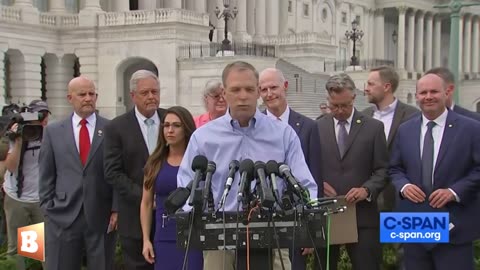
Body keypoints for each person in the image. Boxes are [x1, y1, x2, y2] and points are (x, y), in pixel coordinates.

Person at [177, 61, 318, 270]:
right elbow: (187, 183)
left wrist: (307, 220)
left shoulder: (283, 134)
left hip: (274, 235)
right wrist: (197, 221)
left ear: (258, 93)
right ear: (224, 93)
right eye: (235, 89)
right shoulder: (203, 137)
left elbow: (305, 185)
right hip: (220, 238)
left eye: (249, 89)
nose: (243, 96)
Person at [389, 73, 480, 270]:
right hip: (414, 223)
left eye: (434, 91)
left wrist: (454, 192)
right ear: (416, 96)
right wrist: (403, 186)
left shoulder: (471, 128)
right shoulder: (405, 130)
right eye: (423, 92)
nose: (428, 96)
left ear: (446, 93)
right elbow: (395, 168)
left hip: (454, 222)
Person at [39, 77, 117, 270]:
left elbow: (117, 172)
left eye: (92, 94)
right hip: (63, 215)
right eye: (82, 94)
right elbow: (46, 175)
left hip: (101, 215)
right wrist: (49, 208)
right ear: (70, 98)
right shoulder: (53, 132)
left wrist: (116, 208)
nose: (88, 98)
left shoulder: (111, 129)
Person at [317, 73, 388, 270]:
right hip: (327, 215)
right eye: (334, 106)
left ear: (354, 97)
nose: (339, 111)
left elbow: (383, 170)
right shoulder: (318, 127)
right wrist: (318, 184)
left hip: (362, 218)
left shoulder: (373, 128)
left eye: (345, 105)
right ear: (328, 100)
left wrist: (366, 190)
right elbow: (309, 167)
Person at [259, 67, 322, 270]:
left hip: (295, 219)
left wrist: (311, 227)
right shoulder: (253, 126)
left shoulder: (309, 127)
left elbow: (314, 176)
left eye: (273, 87)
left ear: (285, 86)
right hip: (260, 220)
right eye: (264, 89)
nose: (269, 94)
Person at [104, 69, 166, 270]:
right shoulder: (117, 127)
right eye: (145, 93)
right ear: (133, 96)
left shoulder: (171, 120)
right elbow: (113, 172)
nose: (151, 97)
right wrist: (145, 198)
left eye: (155, 92)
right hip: (134, 219)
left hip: (171, 216)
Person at [140, 106, 203, 270]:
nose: (170, 130)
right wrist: (146, 240)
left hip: (194, 236)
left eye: (176, 125)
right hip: (164, 235)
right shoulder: (154, 162)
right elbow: (146, 203)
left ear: (186, 128)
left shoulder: (197, 161)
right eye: (166, 125)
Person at [363, 66, 419, 211]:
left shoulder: (413, 116)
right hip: (368, 201)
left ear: (386, 86)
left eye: (371, 84)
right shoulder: (363, 116)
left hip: (402, 198)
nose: (366, 88)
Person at [3, 100, 50, 270]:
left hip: (40, 198)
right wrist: (19, 141)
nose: (42, 121)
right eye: (39, 117)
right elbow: (11, 167)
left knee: (41, 247)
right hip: (17, 197)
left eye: (45, 116)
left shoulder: (49, 134)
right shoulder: (19, 133)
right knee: (16, 249)